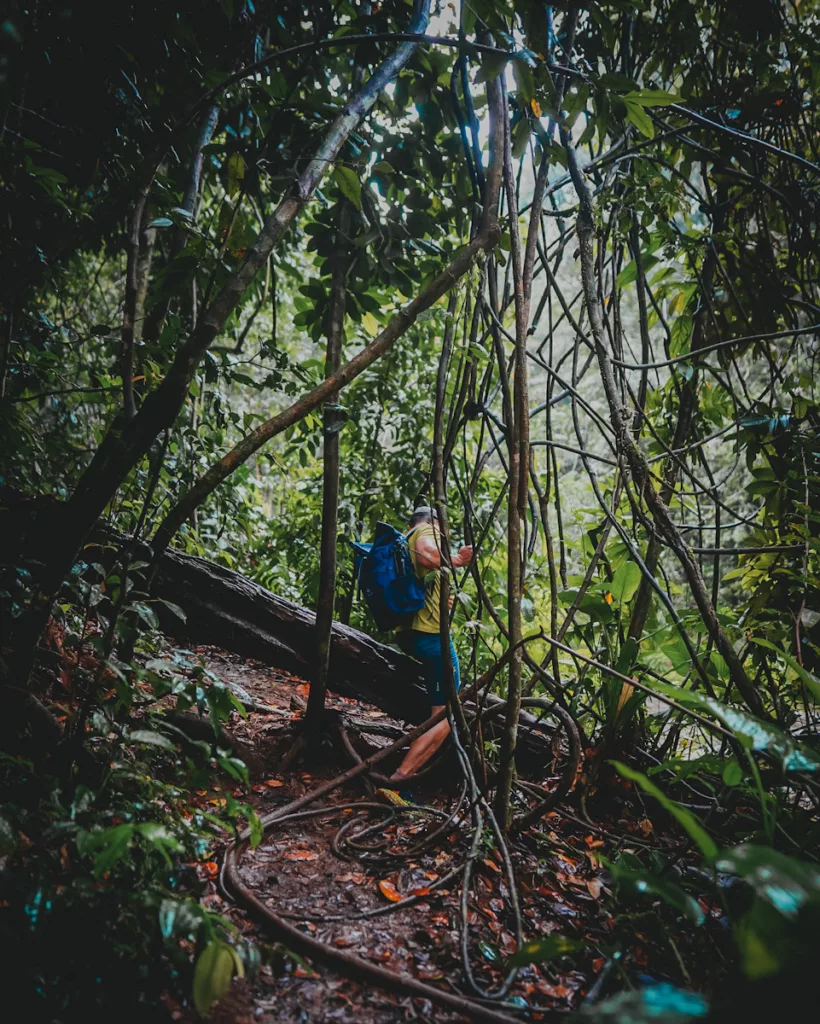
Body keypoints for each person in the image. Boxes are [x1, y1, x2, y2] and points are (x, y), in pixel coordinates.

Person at [388, 506, 473, 786]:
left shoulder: (402, 540)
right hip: (432, 639)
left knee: (438, 707)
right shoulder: (427, 530)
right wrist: (457, 560)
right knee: (447, 715)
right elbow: (427, 552)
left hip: (409, 634)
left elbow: (421, 576)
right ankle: (400, 779)